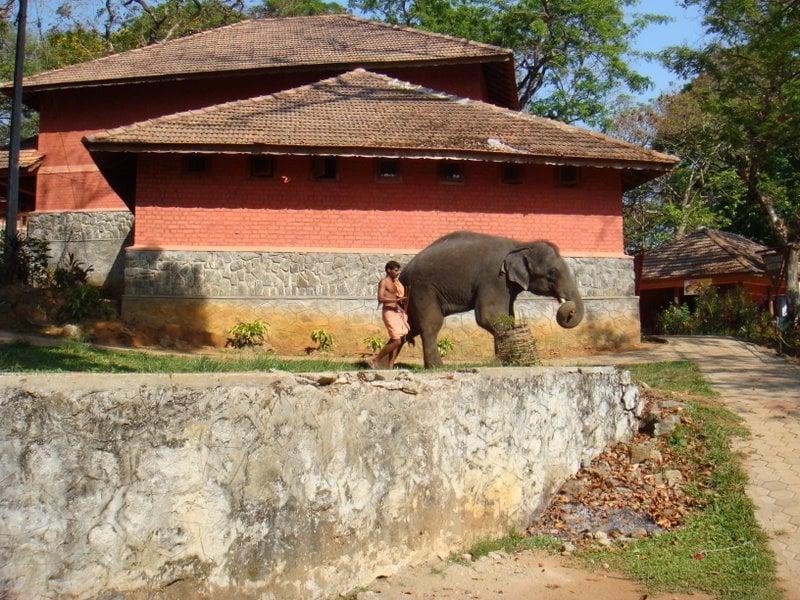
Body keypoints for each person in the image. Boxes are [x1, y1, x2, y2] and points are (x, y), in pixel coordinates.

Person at [371, 260, 409, 369]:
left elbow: (394, 299)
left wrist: (401, 305)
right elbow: (380, 298)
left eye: (398, 271)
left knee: (398, 339)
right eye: (396, 270)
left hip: (396, 312)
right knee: (397, 341)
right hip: (388, 312)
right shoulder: (384, 282)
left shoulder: (394, 283)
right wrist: (398, 300)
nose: (398, 273)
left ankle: (390, 365)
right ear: (389, 270)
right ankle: (376, 360)